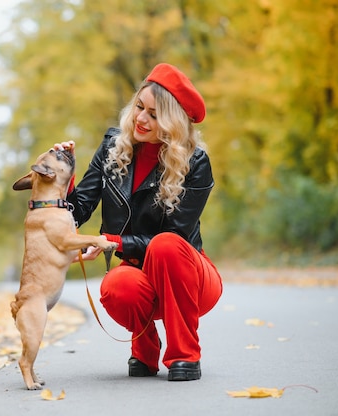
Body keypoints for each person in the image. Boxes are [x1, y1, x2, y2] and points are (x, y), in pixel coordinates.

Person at [56, 63, 223, 381]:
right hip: (141, 275)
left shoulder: (196, 163)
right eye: (139, 107)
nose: (140, 119)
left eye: (155, 115)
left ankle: (185, 355)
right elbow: (77, 211)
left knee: (166, 245)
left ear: (172, 122)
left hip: (190, 278)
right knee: (118, 285)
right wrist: (62, 177)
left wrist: (113, 243)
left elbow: (177, 237)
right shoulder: (112, 148)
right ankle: (144, 354)